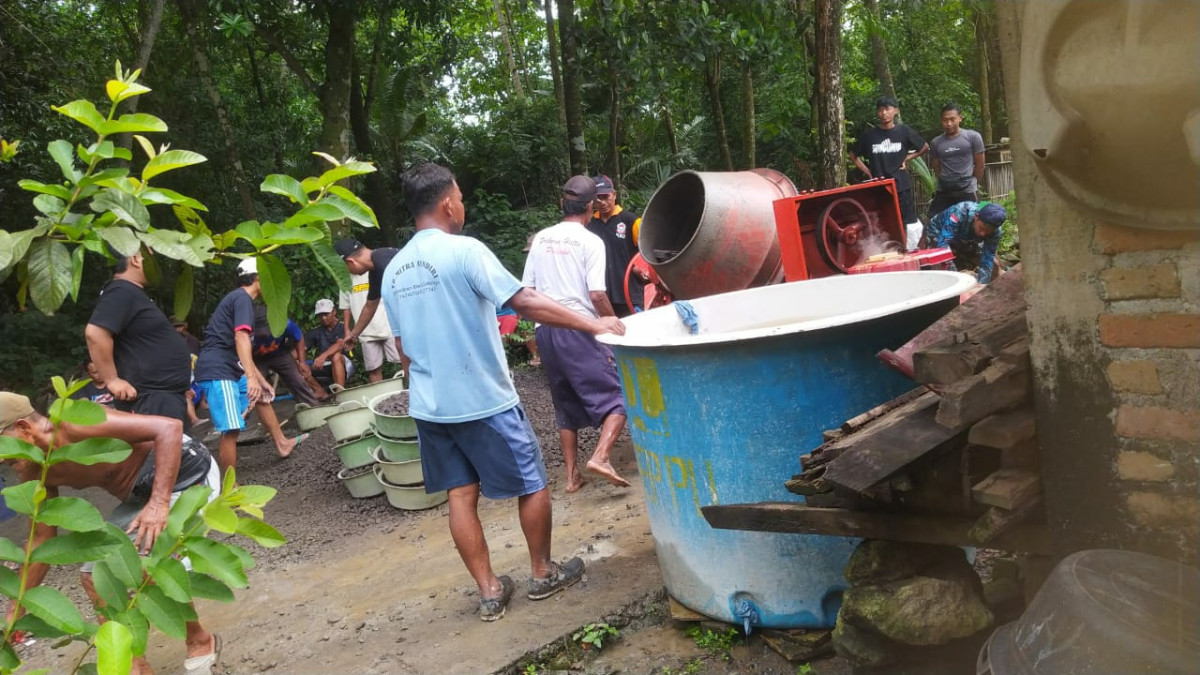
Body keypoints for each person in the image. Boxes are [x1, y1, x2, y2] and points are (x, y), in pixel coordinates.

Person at [379, 163, 625, 622]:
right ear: (448, 203)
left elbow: (402, 349)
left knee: (459, 495)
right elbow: (524, 301)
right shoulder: (464, 251)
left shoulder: (392, 271)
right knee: (531, 483)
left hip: (431, 407)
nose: (462, 205)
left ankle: (490, 591)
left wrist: (421, 396)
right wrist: (594, 323)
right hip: (484, 401)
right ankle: (542, 572)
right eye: (460, 196)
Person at [0, 392, 222, 675]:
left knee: (147, 564)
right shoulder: (32, 470)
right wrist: (18, 605)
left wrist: (159, 503)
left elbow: (169, 428)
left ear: (23, 428)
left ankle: (199, 639)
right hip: (139, 497)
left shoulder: (76, 422)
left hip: (186, 473)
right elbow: (43, 537)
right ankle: (133, 666)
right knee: (95, 576)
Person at [524, 176, 631, 493]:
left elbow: (527, 291)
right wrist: (614, 326)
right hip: (578, 329)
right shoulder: (590, 241)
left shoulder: (541, 239)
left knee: (565, 405)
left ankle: (572, 477)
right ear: (590, 207)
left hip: (545, 331)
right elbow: (597, 295)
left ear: (561, 204)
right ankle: (600, 456)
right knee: (619, 398)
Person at [85, 249, 193, 431]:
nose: (156, 264)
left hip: (163, 397)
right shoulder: (121, 290)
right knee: (163, 457)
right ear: (135, 259)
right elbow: (95, 333)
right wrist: (112, 380)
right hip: (151, 399)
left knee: (180, 455)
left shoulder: (132, 293)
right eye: (150, 258)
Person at [193, 258, 266, 476]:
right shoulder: (242, 298)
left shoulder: (239, 298)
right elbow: (241, 338)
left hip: (228, 367)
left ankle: (282, 443)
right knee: (230, 429)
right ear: (258, 277)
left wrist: (260, 381)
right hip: (218, 369)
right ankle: (229, 486)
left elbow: (243, 350)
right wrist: (251, 378)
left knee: (252, 404)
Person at [850, 96, 929, 251]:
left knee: (906, 221)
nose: (884, 113)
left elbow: (924, 147)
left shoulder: (904, 131)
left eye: (887, 109)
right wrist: (868, 172)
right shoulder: (869, 135)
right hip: (878, 187)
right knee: (881, 220)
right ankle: (886, 251)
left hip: (900, 185)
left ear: (896, 111)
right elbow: (853, 156)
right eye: (880, 109)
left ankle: (907, 250)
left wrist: (907, 157)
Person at [586, 174, 647, 317]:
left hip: (628, 294)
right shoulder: (589, 225)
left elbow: (646, 254)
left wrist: (641, 270)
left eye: (606, 196)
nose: (602, 202)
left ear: (614, 195)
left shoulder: (631, 221)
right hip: (600, 296)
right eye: (597, 198)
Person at [251, 304, 324, 406]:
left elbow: (299, 338)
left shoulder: (284, 323)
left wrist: (302, 362)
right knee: (256, 389)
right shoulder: (245, 332)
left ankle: (314, 408)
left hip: (280, 354)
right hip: (256, 360)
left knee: (297, 380)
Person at [333, 239, 399, 347]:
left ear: (351, 262)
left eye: (345, 269)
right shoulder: (375, 270)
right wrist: (354, 334)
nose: (348, 273)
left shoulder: (386, 263)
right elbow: (370, 306)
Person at [339, 270, 402, 382]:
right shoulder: (344, 279)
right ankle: (381, 397)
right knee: (373, 369)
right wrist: (347, 330)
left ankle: (410, 393)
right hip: (364, 331)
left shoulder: (376, 270)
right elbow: (346, 307)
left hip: (388, 326)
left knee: (402, 362)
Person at [927, 102, 986, 221]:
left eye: (952, 119)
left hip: (967, 189)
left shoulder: (973, 137)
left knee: (972, 222)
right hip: (944, 189)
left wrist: (973, 181)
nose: (948, 124)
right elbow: (936, 167)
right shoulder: (936, 142)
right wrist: (945, 180)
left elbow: (980, 164)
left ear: (960, 118)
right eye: (945, 120)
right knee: (933, 222)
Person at [930, 201, 1007, 284]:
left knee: (992, 264)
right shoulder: (959, 213)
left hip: (966, 236)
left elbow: (987, 258)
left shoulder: (996, 232)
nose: (983, 233)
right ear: (976, 216)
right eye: (981, 228)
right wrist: (953, 277)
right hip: (939, 231)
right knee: (940, 263)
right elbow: (943, 244)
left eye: (988, 231)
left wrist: (982, 285)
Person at [306, 299, 354, 388]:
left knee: (336, 356)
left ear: (334, 311)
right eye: (320, 315)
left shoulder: (344, 328)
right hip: (324, 366)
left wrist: (323, 356)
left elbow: (340, 344)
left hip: (344, 364)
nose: (323, 318)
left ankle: (339, 393)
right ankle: (320, 391)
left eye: (326, 314)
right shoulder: (316, 332)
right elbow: (300, 350)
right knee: (297, 364)